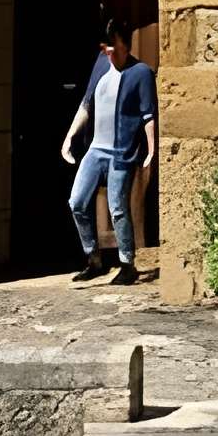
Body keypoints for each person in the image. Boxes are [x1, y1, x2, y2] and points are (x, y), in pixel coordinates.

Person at [61, 19, 158, 285]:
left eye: (114, 49)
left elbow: (148, 114)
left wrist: (151, 149)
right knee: (77, 201)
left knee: (117, 208)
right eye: (107, 49)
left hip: (121, 152)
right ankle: (93, 259)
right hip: (96, 149)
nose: (110, 54)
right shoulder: (101, 64)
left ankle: (127, 263)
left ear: (125, 45)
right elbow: (87, 102)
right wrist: (70, 136)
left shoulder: (141, 72)